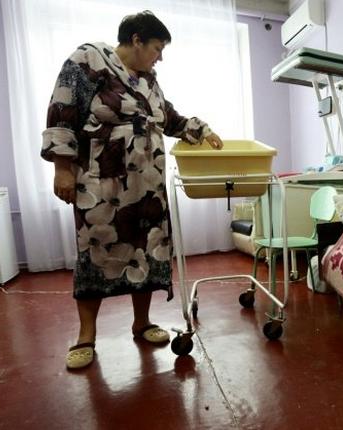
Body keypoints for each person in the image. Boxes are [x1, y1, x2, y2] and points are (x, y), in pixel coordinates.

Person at [41, 11, 224, 370]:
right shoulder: (87, 60)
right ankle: (86, 336)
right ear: (137, 40)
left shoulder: (149, 81)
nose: (160, 57)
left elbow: (166, 117)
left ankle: (142, 323)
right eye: (157, 48)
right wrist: (63, 168)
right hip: (102, 184)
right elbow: (62, 110)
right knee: (96, 253)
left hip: (148, 184)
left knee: (146, 251)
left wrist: (200, 130)